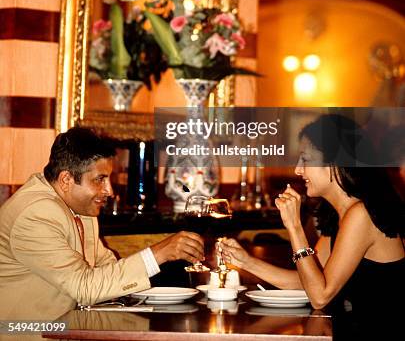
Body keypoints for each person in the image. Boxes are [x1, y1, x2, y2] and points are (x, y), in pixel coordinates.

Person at [220, 114, 405, 338]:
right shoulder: (342, 215)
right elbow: (308, 282)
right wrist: (246, 261)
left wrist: (295, 227)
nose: (298, 170)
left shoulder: (361, 215)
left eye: (306, 159)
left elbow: (320, 296)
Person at [0, 127, 204, 321]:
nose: (110, 190)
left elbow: (106, 268)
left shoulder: (78, 205)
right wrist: (159, 253)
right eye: (100, 179)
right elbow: (85, 288)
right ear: (66, 180)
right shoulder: (35, 214)